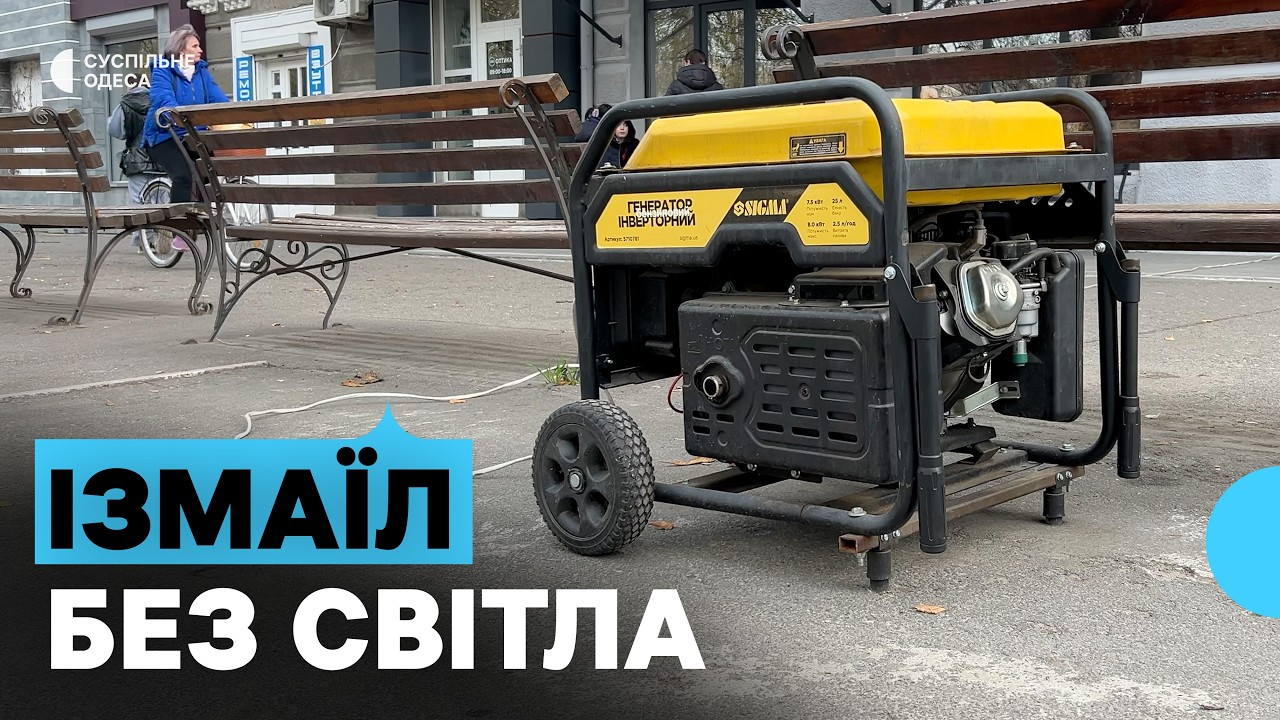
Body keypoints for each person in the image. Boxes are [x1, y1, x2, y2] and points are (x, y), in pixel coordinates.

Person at [141, 25, 228, 208]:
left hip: (193, 135)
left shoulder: (201, 73)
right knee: (183, 176)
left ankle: (205, 216)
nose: (200, 50)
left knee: (210, 173)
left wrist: (235, 114)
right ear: (181, 50)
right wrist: (179, 118)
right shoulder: (162, 71)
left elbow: (218, 99)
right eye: (195, 46)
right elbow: (164, 99)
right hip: (164, 136)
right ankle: (178, 223)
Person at [107, 76, 165, 253]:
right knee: (161, 199)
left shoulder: (124, 104)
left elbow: (116, 131)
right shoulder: (160, 100)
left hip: (137, 159)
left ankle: (143, 241)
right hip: (161, 156)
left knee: (139, 200)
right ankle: (162, 237)